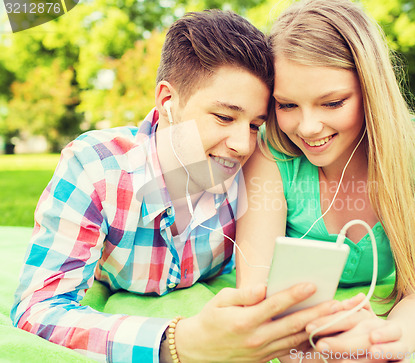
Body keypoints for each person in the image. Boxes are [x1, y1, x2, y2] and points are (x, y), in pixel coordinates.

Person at [10, 10, 343, 363]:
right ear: (168, 101)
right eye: (224, 117)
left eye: (253, 124)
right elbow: (38, 308)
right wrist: (177, 342)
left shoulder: (257, 167)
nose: (242, 145)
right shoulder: (95, 167)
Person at [236, 0, 415, 361]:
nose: (307, 128)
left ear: (371, 92)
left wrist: (384, 337)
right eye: (287, 105)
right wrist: (300, 346)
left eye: (333, 103)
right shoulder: (272, 153)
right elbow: (256, 286)